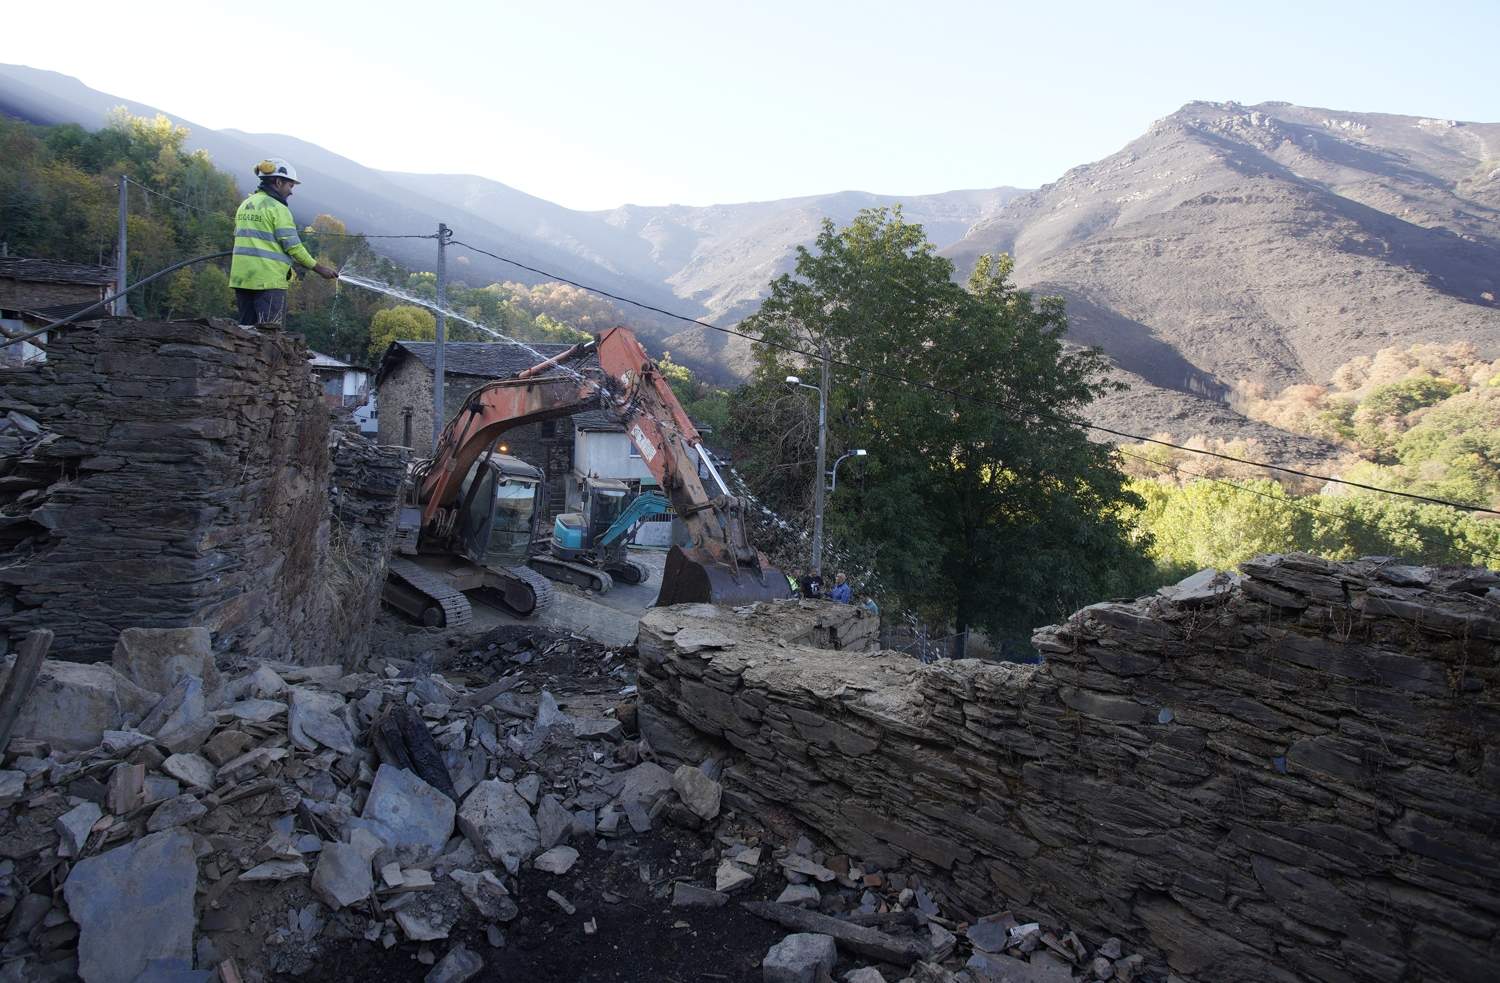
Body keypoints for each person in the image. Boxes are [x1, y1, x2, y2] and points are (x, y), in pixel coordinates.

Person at [230, 158, 337, 328]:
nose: (291, 192)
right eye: (290, 186)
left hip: (242, 279)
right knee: (269, 334)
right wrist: (319, 268)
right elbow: (293, 247)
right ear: (278, 182)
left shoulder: (246, 204)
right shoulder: (278, 209)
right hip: (268, 281)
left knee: (244, 332)